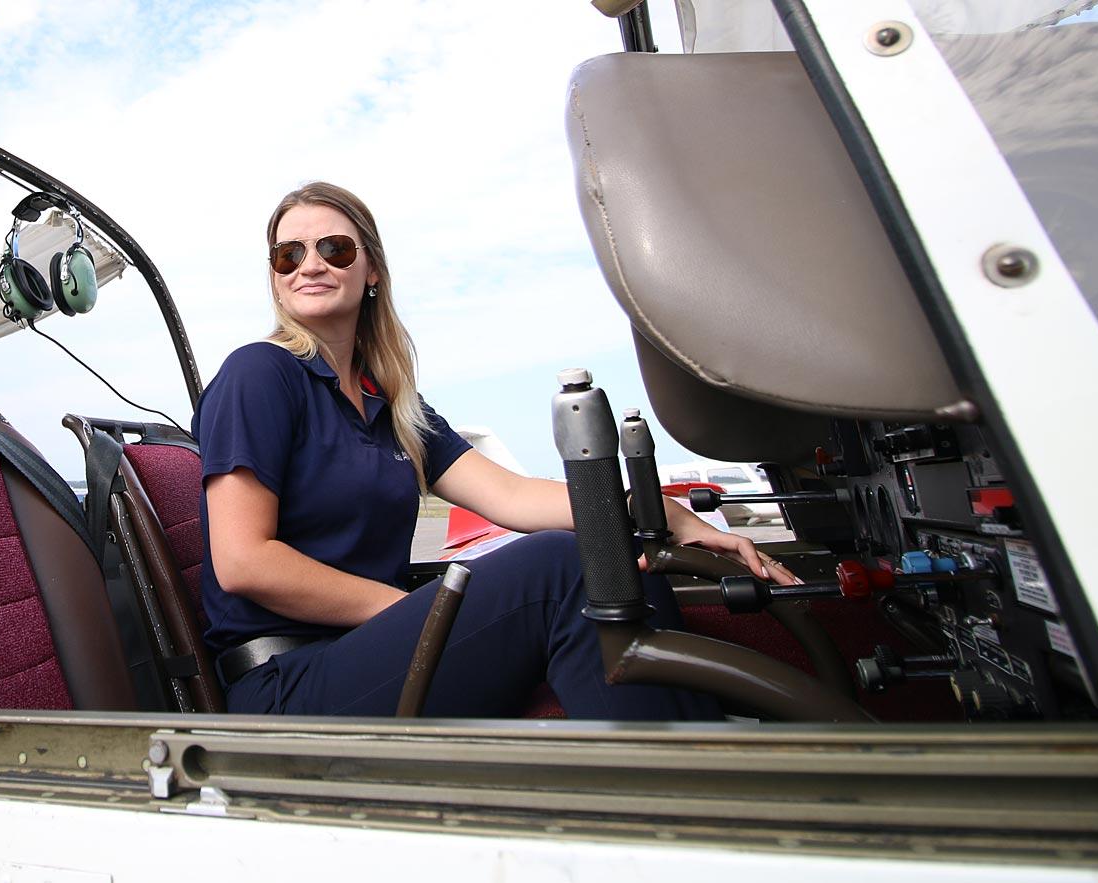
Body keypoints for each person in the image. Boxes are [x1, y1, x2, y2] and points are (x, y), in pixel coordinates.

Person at [194, 181, 799, 719]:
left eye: (335, 248)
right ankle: (682, 797)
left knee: (615, 567)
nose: (310, 265)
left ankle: (691, 773)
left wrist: (660, 514)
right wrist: (417, 612)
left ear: (371, 269)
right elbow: (246, 561)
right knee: (561, 566)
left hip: (373, 653)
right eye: (288, 254)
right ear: (273, 275)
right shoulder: (261, 375)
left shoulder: (392, 405)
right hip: (290, 686)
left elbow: (510, 495)